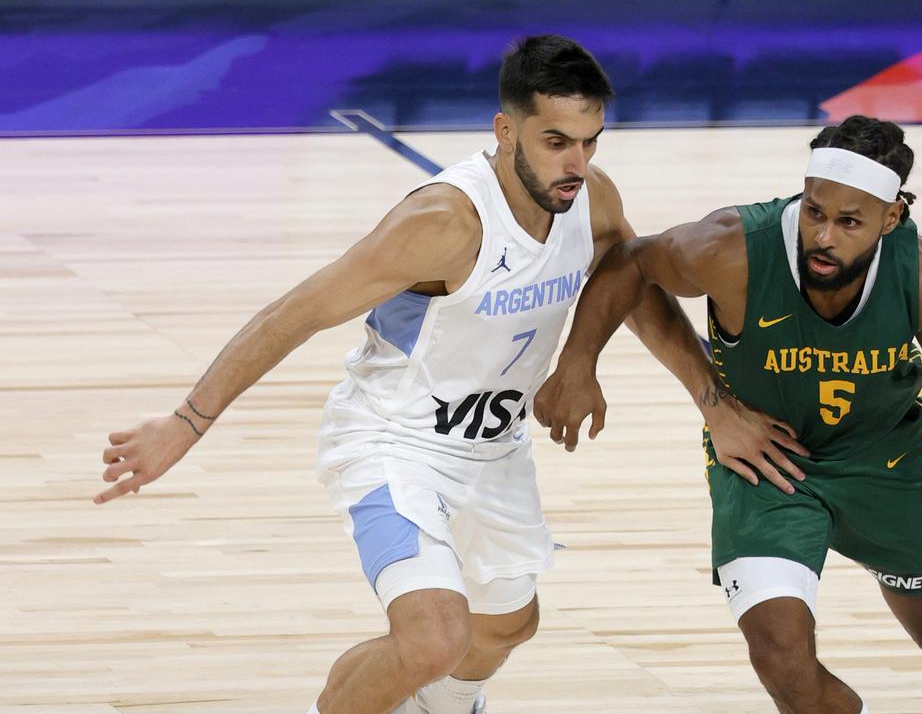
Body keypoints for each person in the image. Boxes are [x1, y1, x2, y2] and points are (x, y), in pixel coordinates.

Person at [94, 35, 800, 714]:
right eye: (556, 142)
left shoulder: (591, 199)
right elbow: (294, 314)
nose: (576, 164)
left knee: (507, 626)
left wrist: (710, 403)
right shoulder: (443, 222)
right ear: (506, 129)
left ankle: (443, 707)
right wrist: (185, 425)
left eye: (590, 143)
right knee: (432, 637)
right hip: (392, 443)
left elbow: (633, 287)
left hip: (494, 453)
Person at [534, 114, 922, 714]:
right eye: (816, 212)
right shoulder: (733, 247)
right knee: (778, 655)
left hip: (884, 460)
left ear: (892, 216)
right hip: (766, 459)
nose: (824, 236)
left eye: (850, 222)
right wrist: (578, 362)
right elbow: (631, 262)